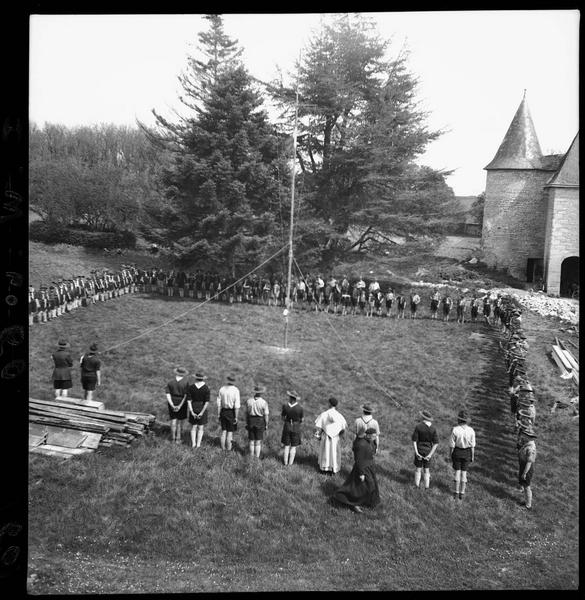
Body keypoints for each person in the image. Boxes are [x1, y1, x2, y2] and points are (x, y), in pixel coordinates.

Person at [332, 427, 380, 513]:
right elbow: (359, 460)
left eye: (375, 435)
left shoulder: (369, 442)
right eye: (373, 436)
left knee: (368, 486)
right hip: (362, 468)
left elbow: (371, 452)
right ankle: (354, 503)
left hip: (369, 467)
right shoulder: (361, 445)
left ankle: (367, 502)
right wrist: (361, 473)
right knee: (359, 488)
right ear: (368, 435)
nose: (375, 437)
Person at [314, 397, 347, 475]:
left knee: (325, 452)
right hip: (335, 438)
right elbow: (343, 428)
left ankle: (324, 469)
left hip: (326, 437)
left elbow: (320, 426)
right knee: (334, 453)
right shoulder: (339, 416)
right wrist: (339, 435)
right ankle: (333, 468)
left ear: (329, 404)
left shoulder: (324, 414)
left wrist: (318, 435)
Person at [449, 409, 476, 500]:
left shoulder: (455, 429)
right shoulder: (471, 430)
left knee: (457, 472)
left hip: (457, 452)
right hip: (467, 452)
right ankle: (462, 493)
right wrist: (472, 456)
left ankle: (456, 492)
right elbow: (472, 446)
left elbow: (452, 445)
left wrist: (450, 454)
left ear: (459, 419)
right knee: (464, 473)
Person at [411, 409, 439, 489]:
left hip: (419, 449)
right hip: (428, 450)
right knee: (427, 469)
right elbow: (436, 443)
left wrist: (416, 452)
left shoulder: (418, 426)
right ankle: (427, 486)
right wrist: (430, 455)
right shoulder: (433, 428)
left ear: (423, 418)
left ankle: (416, 485)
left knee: (418, 469)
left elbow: (414, 441)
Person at [165, 367, 190, 443]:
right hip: (182, 402)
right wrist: (180, 405)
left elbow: (168, 394)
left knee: (173, 421)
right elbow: (186, 395)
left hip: (172, 400)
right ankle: (178, 439)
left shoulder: (170, 382)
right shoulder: (186, 383)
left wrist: (172, 404)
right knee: (179, 422)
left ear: (176, 373)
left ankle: (173, 438)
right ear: (184, 374)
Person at [187, 371, 210, 448]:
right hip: (202, 407)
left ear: (196, 378)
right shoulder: (206, 388)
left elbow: (189, 400)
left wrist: (191, 411)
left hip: (193, 407)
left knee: (193, 427)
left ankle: (193, 444)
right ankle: (198, 444)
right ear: (203, 379)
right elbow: (206, 402)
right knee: (200, 428)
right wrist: (202, 412)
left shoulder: (191, 387)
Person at [217, 374, 240, 451]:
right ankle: (229, 449)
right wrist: (236, 417)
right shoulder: (236, 390)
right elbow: (237, 405)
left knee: (223, 431)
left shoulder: (222, 389)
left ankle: (223, 448)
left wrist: (218, 414)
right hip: (231, 412)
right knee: (230, 432)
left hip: (223, 411)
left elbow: (219, 403)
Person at [245, 384, 270, 458]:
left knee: (251, 441)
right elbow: (266, 415)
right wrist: (266, 424)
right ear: (261, 393)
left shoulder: (249, 401)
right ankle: (257, 457)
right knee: (258, 441)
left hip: (250, 420)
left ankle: (251, 456)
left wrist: (247, 422)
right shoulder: (263, 402)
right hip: (260, 421)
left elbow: (246, 413)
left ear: (255, 392)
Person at [281, 390, 304, 466]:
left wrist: (287, 421)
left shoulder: (285, 406)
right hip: (296, 427)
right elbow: (302, 419)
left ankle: (285, 462)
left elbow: (282, 417)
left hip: (287, 426)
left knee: (286, 445)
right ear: (296, 398)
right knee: (293, 446)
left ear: (290, 398)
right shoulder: (300, 408)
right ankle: (290, 464)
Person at [517, 425, 536, 510]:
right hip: (523, 467)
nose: (522, 435)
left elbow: (529, 462)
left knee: (527, 487)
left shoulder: (530, 448)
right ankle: (526, 501)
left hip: (527, 469)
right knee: (525, 486)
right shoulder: (528, 444)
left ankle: (528, 505)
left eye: (524, 434)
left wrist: (524, 473)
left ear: (528, 436)